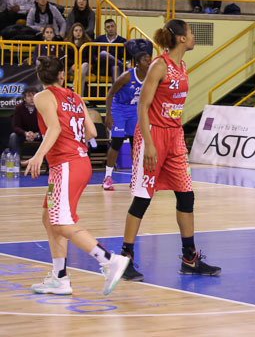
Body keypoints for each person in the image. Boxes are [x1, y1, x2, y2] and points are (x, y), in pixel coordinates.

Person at [120, 19, 221, 281]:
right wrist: (149, 144)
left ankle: (190, 258)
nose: (193, 35)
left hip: (174, 136)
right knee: (143, 198)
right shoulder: (159, 66)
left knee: (186, 196)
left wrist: (177, 136)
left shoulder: (182, 65)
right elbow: (142, 107)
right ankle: (124, 259)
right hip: (152, 135)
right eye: (190, 31)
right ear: (181, 38)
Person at [24, 56, 129, 297]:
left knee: (61, 222)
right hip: (80, 162)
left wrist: (39, 155)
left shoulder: (42, 96)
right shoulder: (75, 97)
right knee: (49, 219)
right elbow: (92, 131)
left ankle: (109, 260)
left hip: (66, 164)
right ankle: (59, 278)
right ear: (62, 75)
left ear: (40, 77)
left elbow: (55, 128)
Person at [101, 52, 151, 192]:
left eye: (149, 59)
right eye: (145, 60)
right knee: (116, 142)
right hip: (119, 109)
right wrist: (108, 114)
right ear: (137, 63)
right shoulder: (126, 76)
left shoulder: (150, 76)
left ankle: (135, 177)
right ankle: (108, 177)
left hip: (134, 110)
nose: (148, 62)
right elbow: (110, 93)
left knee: (135, 144)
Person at [9, 85, 41, 154]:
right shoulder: (19, 108)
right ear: (24, 98)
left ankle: (50, 164)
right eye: (29, 96)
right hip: (23, 134)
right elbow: (15, 127)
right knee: (13, 136)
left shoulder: (42, 107)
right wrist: (25, 133)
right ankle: (15, 162)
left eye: (34, 96)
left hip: (38, 134)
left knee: (49, 137)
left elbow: (47, 126)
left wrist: (36, 134)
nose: (32, 98)